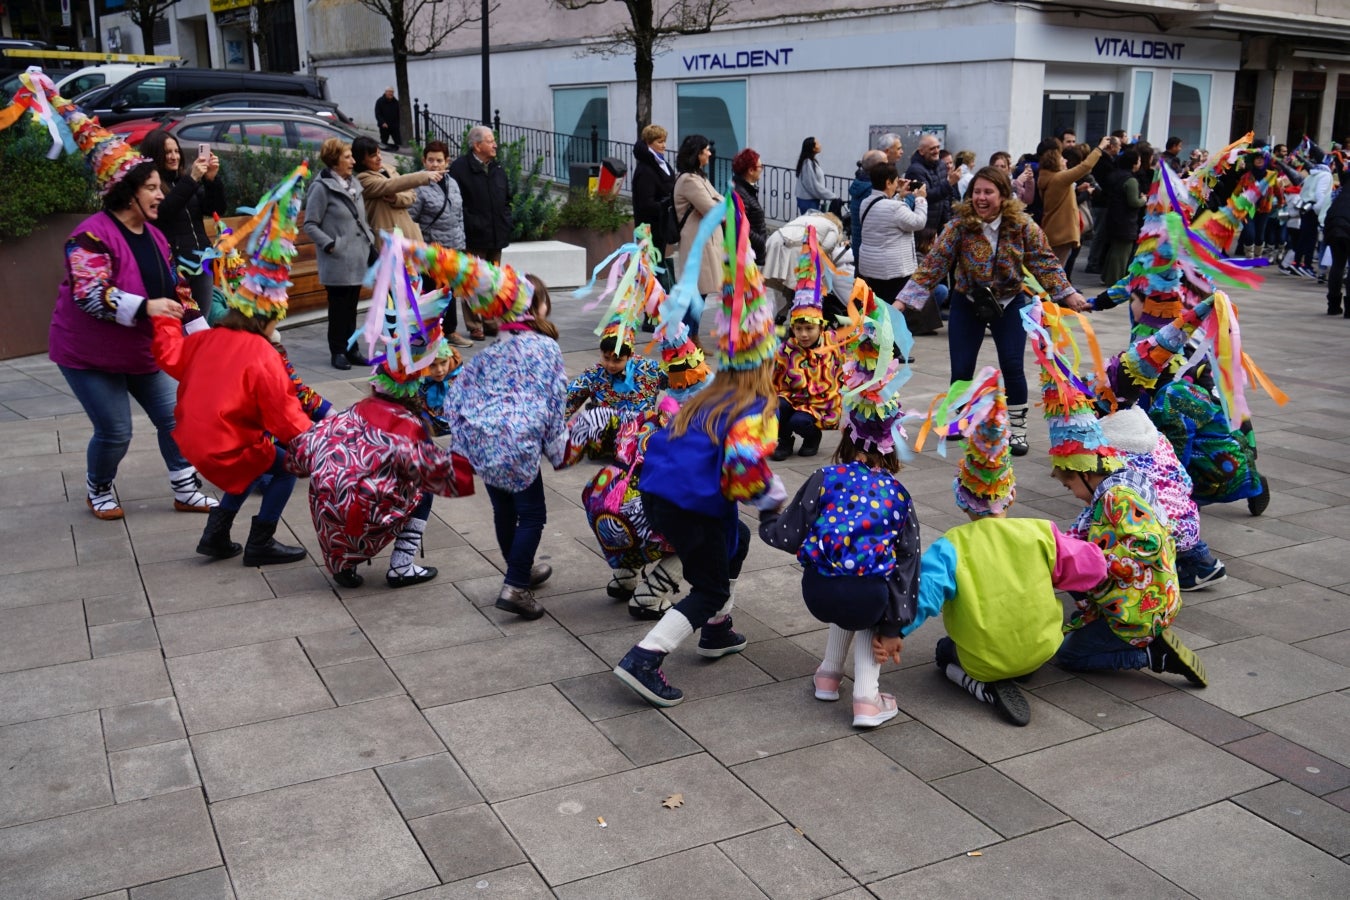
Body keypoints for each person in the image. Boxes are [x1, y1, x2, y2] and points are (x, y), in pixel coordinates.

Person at [613, 194, 787, 707]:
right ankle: (644, 658)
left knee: (734, 540)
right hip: (692, 504)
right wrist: (776, 502)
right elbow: (744, 475)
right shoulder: (754, 406)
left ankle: (715, 630)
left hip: (662, 494)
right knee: (709, 582)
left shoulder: (708, 389)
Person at [45, 93, 217, 522]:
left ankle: (185, 488)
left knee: (176, 418)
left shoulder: (157, 237)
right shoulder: (89, 237)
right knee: (116, 431)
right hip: (89, 356)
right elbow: (89, 293)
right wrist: (146, 308)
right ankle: (98, 487)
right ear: (127, 193)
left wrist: (204, 336)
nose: (162, 195)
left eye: (161, 187)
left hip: (142, 352)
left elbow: (178, 290)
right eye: (153, 188)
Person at [907, 367, 1107, 726]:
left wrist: (890, 631)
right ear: (1011, 496)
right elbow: (1093, 567)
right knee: (1020, 649)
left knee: (943, 652)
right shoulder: (1042, 533)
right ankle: (1019, 663)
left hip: (984, 657)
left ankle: (979, 684)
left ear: (962, 501)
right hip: (1044, 649)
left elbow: (921, 599)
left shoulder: (951, 546)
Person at [760, 291, 920, 728]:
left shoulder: (825, 479)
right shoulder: (898, 496)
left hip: (817, 592)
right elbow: (907, 565)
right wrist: (895, 627)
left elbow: (787, 534)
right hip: (864, 598)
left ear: (847, 438)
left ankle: (828, 677)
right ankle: (867, 699)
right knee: (871, 588)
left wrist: (767, 513)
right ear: (891, 444)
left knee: (849, 573)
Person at [1027, 302, 1207, 687]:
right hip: (1148, 596)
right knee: (1069, 625)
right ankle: (1131, 632)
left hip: (1144, 603)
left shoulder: (1116, 497)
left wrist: (1092, 566)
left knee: (1067, 654)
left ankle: (1149, 651)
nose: (1072, 493)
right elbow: (1085, 534)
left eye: (1069, 484)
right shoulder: (1116, 484)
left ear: (1085, 472)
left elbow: (1139, 548)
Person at [151, 164, 315, 567]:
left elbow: (170, 356)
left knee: (254, 456)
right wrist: (323, 443)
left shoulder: (208, 337)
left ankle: (216, 534)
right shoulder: (263, 356)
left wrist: (162, 316)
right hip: (225, 442)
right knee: (287, 466)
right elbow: (287, 420)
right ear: (266, 317)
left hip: (192, 439)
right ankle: (261, 542)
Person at [896, 166, 1089, 456]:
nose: (981, 198)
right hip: (968, 301)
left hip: (1009, 303)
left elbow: (1044, 261)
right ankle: (958, 420)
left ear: (1003, 195)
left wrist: (1068, 294)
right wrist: (902, 302)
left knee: (1012, 365)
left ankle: (1018, 431)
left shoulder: (1022, 225)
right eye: (977, 192)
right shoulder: (960, 225)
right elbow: (934, 263)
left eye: (988, 192)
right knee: (961, 368)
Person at [288, 299, 475, 590]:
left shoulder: (354, 411)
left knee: (336, 486)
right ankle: (402, 566)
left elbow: (301, 451)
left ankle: (344, 564)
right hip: (364, 514)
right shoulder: (406, 426)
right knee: (422, 490)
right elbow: (440, 474)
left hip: (328, 513)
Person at [446, 274, 568, 620]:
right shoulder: (546, 348)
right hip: (518, 443)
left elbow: (456, 395)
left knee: (505, 511)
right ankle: (516, 585)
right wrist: (559, 449)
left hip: (485, 442)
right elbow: (555, 399)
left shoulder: (491, 352)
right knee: (532, 514)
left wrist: (466, 437)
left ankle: (520, 570)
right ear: (538, 305)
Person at [303, 138, 378, 370]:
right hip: (337, 259)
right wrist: (330, 245)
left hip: (357, 256)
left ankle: (352, 348)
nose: (353, 161)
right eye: (347, 157)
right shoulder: (321, 187)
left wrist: (371, 241)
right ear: (334, 160)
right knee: (338, 308)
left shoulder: (354, 184)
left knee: (352, 306)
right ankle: (338, 351)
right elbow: (310, 224)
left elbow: (361, 220)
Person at [771, 232, 843, 460]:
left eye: (809, 329)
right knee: (776, 407)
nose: (803, 334)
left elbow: (847, 370)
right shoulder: (787, 349)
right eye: (798, 329)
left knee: (799, 420)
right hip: (792, 397)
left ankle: (812, 436)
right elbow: (775, 379)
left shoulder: (832, 344)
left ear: (820, 327)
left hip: (819, 403)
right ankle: (784, 439)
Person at [139, 130, 226, 315]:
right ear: (155, 155)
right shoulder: (152, 186)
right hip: (175, 266)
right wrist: (192, 179)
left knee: (201, 321)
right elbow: (164, 212)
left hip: (202, 261)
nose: (174, 156)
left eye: (176, 151)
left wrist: (211, 180)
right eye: (167, 152)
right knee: (179, 321)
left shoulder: (185, 181)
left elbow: (215, 209)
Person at [565, 315, 665, 459]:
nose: (611, 365)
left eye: (617, 360)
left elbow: (680, 384)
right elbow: (567, 399)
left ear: (630, 356)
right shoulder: (594, 374)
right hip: (605, 441)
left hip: (640, 436)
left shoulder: (649, 369)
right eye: (606, 358)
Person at [449, 126, 513, 340]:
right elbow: (457, 204)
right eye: (490, 141)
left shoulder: (497, 167)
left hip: (496, 235)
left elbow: (506, 198)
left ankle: (490, 319)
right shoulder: (459, 169)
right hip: (474, 235)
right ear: (477, 145)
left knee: (492, 280)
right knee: (471, 280)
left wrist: (505, 218)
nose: (495, 144)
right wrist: (472, 222)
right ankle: (474, 324)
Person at [408, 140, 472, 348]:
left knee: (450, 292)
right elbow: (411, 219)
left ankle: (450, 331)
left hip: (453, 249)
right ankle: (431, 334)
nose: (434, 165)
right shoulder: (419, 185)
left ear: (447, 162)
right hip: (431, 252)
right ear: (424, 161)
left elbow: (459, 215)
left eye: (439, 160)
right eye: (430, 160)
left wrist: (461, 245)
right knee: (432, 293)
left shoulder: (452, 182)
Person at [673, 134, 724, 343]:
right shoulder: (688, 180)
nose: (710, 153)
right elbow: (713, 207)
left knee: (700, 294)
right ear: (697, 154)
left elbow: (718, 200)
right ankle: (684, 341)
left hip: (704, 241)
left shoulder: (699, 177)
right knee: (694, 294)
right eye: (706, 150)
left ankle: (693, 339)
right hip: (696, 243)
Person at [856, 162, 928, 306]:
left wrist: (899, 195)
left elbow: (886, 213)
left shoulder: (865, 203)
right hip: (893, 271)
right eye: (895, 182)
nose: (897, 185)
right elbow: (919, 222)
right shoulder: (895, 208)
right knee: (893, 310)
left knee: (878, 307)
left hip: (871, 268)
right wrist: (920, 199)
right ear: (888, 182)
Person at [1035, 134, 1109, 273]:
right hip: (1062, 232)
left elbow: (1058, 197)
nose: (1065, 160)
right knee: (1056, 272)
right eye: (1062, 158)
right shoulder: (1059, 178)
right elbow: (1085, 166)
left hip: (1053, 228)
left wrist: (1075, 190)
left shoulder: (1046, 177)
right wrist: (1100, 148)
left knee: (1054, 269)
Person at [352, 135, 441, 246]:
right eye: (373, 156)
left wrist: (396, 199)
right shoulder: (363, 179)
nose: (379, 158)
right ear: (362, 161)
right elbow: (391, 185)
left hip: (409, 234)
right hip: (389, 242)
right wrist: (423, 176)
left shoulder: (388, 169)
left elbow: (411, 195)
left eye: (379, 153)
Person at [1100, 147, 1146, 287]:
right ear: (1133, 163)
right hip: (1126, 221)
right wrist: (1143, 199)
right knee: (1122, 252)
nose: (1139, 164)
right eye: (1138, 161)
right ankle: (1114, 280)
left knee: (1114, 249)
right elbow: (1133, 202)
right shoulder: (1131, 180)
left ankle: (1107, 276)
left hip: (1113, 216)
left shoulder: (1114, 175)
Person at [631, 124, 678, 251]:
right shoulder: (646, 169)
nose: (664, 145)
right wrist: (667, 205)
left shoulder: (659, 163)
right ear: (649, 143)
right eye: (660, 142)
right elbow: (646, 203)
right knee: (652, 264)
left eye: (664, 141)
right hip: (650, 227)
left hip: (661, 224)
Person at [905, 133, 960, 234]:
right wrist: (949, 183)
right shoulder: (915, 170)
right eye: (932, 149)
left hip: (941, 224)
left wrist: (948, 219)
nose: (936, 151)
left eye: (938, 147)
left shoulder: (941, 165)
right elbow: (926, 196)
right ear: (921, 151)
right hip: (924, 227)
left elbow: (947, 198)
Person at [849, 148, 888, 264]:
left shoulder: (860, 184)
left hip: (860, 244)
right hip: (869, 248)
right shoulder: (871, 191)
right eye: (886, 164)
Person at [420, 339, 463, 436]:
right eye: (432, 365)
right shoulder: (417, 379)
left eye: (443, 362)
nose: (439, 370)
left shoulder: (460, 376)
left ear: (450, 358)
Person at [731, 148, 767, 264]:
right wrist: (760, 241)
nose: (761, 170)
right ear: (751, 170)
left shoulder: (746, 190)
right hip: (747, 256)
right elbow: (740, 225)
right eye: (760, 167)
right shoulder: (740, 193)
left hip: (753, 253)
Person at [1324, 176, 1350, 316]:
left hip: (1333, 225)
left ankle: (1333, 306)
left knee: (1337, 265)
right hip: (1347, 225)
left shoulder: (1342, 191)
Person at [794, 136, 837, 214]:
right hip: (808, 201)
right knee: (810, 225)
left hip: (809, 200)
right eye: (818, 144)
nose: (820, 145)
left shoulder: (810, 161)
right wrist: (832, 196)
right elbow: (813, 186)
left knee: (810, 224)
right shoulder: (807, 163)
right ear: (813, 148)